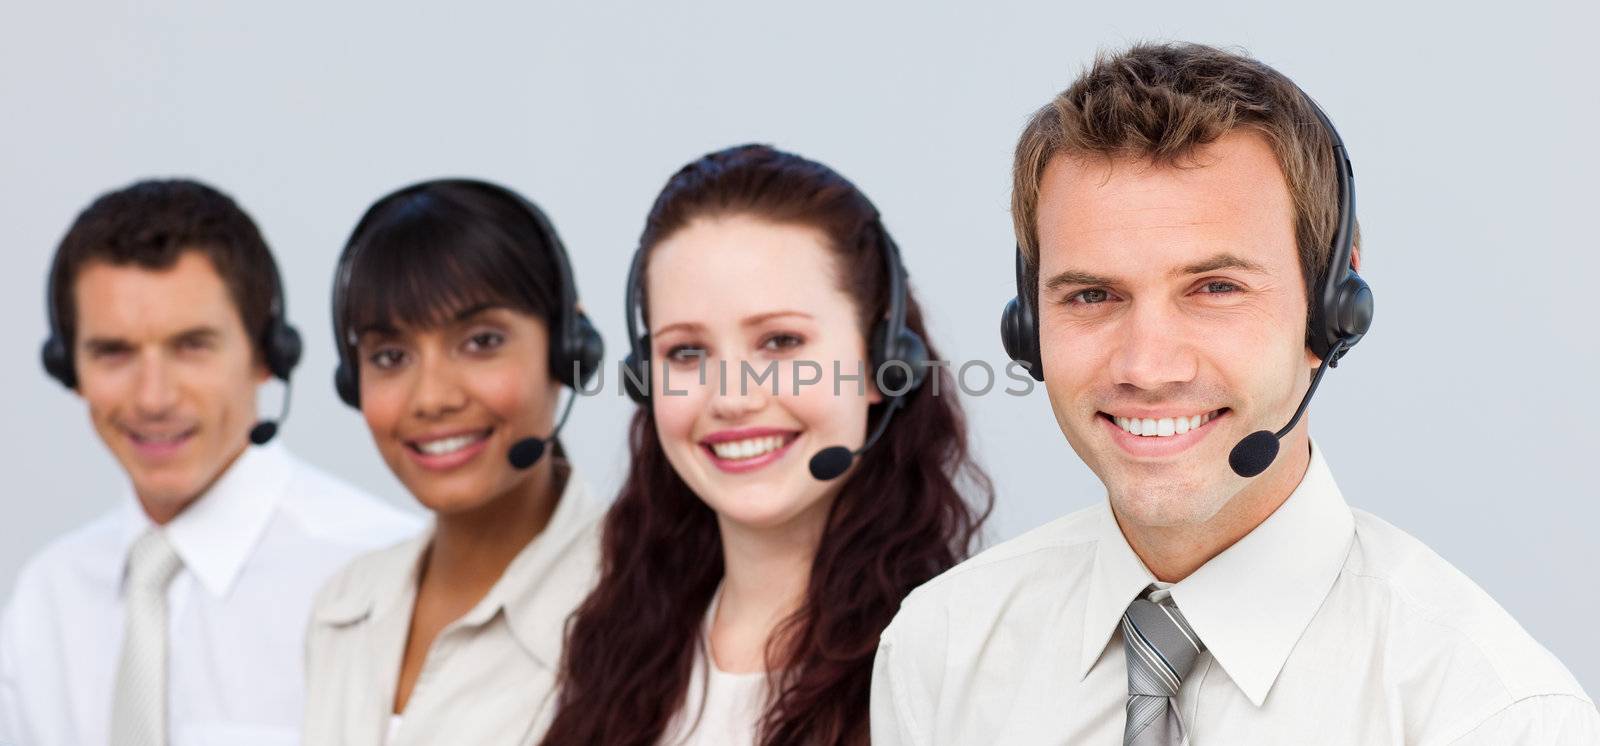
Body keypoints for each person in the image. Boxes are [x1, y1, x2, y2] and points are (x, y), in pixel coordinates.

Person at [871, 42, 1599, 744]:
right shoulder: (940, 652)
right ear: (1027, 328)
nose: (1147, 367)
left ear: (1332, 310)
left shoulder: (1489, 714)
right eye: (1092, 295)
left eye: (1216, 288)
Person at [540, 144, 991, 746]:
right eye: (687, 352)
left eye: (780, 342)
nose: (732, 397)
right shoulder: (610, 648)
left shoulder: (964, 669)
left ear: (884, 363)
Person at [0, 179, 419, 746]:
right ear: (68, 370)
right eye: (114, 352)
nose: (153, 397)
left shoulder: (382, 581)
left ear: (268, 357)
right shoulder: (48, 597)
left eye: (192, 346)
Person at [301, 179, 608, 746]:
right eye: (390, 356)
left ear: (569, 348)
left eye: (482, 341)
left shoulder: (642, 612)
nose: (432, 397)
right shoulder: (343, 609)